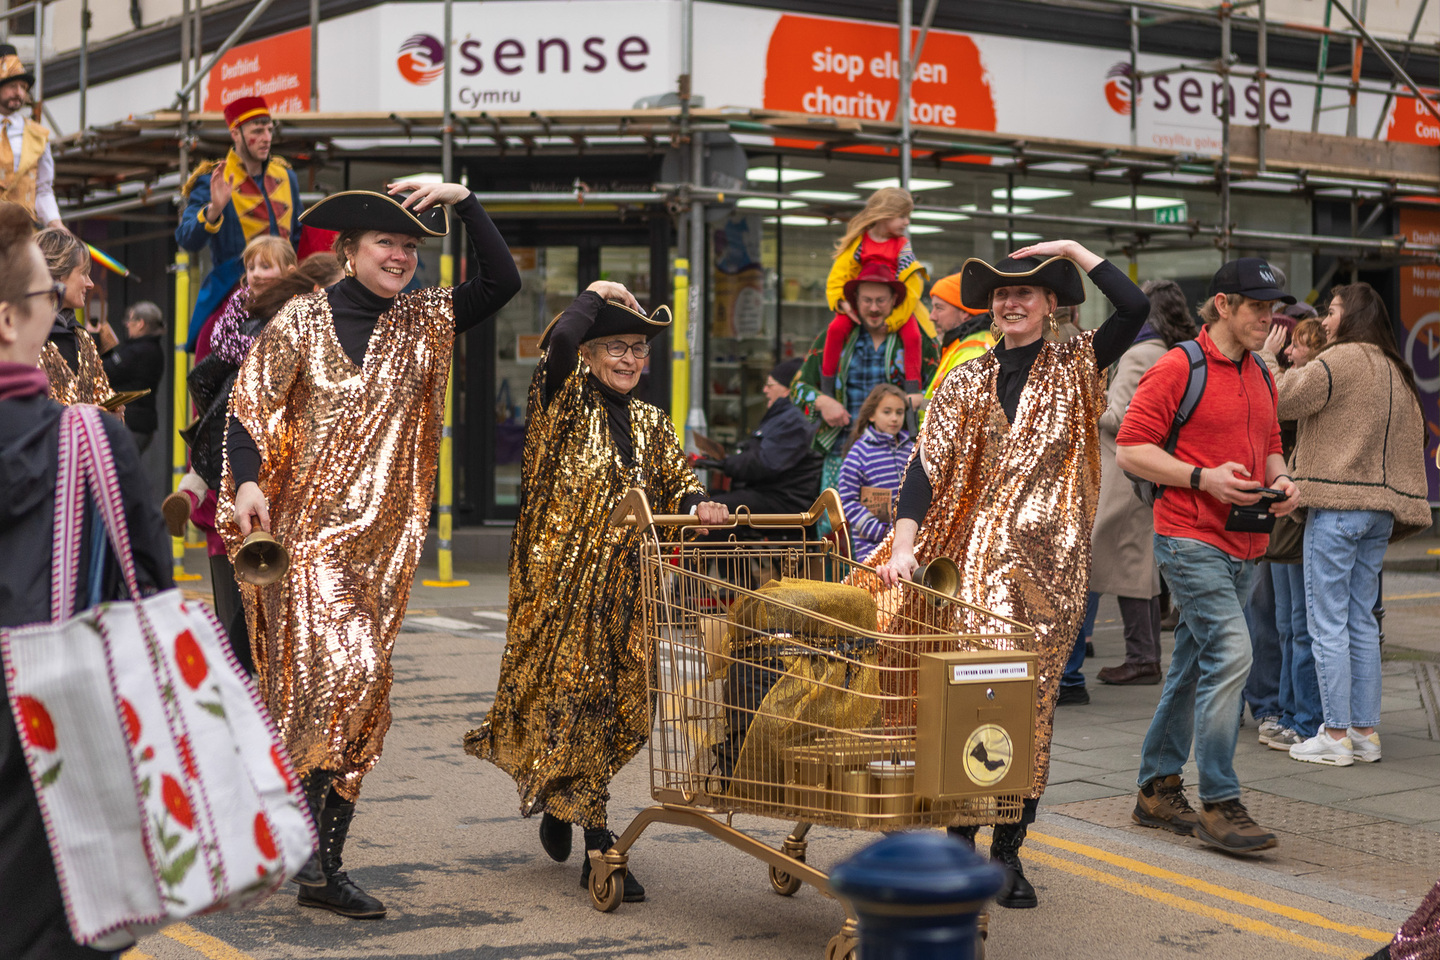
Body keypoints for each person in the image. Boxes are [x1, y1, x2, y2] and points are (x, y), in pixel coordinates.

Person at [222, 181, 521, 919]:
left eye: (412, 247)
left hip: (384, 557)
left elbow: (501, 281)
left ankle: (319, 864)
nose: (400, 256)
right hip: (311, 543)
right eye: (386, 244)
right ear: (348, 252)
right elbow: (248, 408)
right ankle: (293, 841)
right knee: (350, 677)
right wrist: (251, 482)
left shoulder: (423, 320)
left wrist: (466, 198)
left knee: (356, 705)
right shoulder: (301, 320)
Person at [870, 239, 1151, 909]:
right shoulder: (965, 379)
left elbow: (1134, 305)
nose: (1011, 301)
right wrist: (904, 541)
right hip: (977, 572)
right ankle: (961, 843)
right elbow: (925, 468)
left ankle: (1009, 852)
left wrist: (1070, 250)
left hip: (1052, 578)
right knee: (973, 700)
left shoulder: (1079, 364)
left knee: (1030, 713)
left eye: (1025, 292)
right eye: (1000, 294)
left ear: (1051, 305)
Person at [465, 283, 726, 904]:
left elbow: (678, 488)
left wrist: (702, 507)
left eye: (639, 348)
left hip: (631, 597)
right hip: (559, 592)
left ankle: (565, 801)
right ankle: (600, 846)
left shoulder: (652, 422)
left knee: (625, 711)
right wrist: (592, 294)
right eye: (615, 346)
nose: (631, 359)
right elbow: (556, 340)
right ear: (587, 353)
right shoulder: (559, 402)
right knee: (578, 700)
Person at [0, 201, 171, 959]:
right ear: (11, 322)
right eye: (47, 298)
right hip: (54, 775)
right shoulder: (92, 441)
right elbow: (151, 599)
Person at [1119, 257, 1300, 855]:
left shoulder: (1262, 373)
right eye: (1257, 307)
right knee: (1232, 651)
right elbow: (1130, 450)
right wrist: (1202, 478)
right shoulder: (1178, 366)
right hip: (1188, 537)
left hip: (1246, 543)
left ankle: (1156, 786)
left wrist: (1284, 481)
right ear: (1222, 305)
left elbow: (1271, 443)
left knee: (1194, 667)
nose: (1269, 319)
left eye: (1273, 308)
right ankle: (1220, 800)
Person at [1259, 283, 1431, 767]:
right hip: (1379, 511)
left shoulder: (1342, 359)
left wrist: (1273, 364)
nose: (1326, 319)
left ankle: (1334, 735)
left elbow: (1284, 400)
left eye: (1332, 311)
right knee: (1360, 622)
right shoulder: (1395, 370)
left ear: (1351, 316)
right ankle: (1364, 732)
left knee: (1326, 622)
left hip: (1336, 505)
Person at [1092, 279, 1198, 687]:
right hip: (1148, 471)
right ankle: (1144, 656)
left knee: (1124, 565)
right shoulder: (1176, 352)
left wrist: (1086, 402)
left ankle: (1142, 657)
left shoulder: (1141, 355)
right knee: (1134, 565)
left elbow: (1119, 418)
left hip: (1123, 472)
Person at [792, 262, 939, 493]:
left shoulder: (917, 341)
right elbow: (798, 388)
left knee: (893, 523)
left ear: (894, 301)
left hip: (898, 454)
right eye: (866, 300)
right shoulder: (834, 339)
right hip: (842, 451)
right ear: (855, 301)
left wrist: (918, 400)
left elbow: (941, 391)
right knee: (835, 522)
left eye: (880, 300)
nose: (873, 307)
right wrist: (823, 402)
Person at [175, 95, 303, 350]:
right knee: (208, 348)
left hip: (287, 292)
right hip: (236, 292)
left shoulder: (286, 176)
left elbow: (299, 238)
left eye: (269, 129)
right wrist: (214, 209)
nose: (267, 137)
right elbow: (186, 239)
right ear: (236, 133)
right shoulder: (214, 179)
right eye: (257, 130)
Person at [1259, 311, 1324, 752]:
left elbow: (1275, 405)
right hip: (1281, 520)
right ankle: (1288, 711)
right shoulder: (1295, 377)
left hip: (1299, 516)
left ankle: (1305, 718)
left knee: (1301, 625)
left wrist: (1267, 361)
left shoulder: (1310, 384)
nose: (1289, 351)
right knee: (1286, 624)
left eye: (1298, 344)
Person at [821, 187, 934, 399]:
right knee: (835, 329)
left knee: (913, 336)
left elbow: (912, 287)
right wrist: (842, 303)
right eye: (902, 216)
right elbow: (838, 276)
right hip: (860, 305)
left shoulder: (902, 246)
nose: (906, 222)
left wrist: (894, 320)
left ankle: (912, 389)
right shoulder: (859, 243)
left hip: (897, 306)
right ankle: (826, 385)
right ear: (884, 214)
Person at [701, 356, 823, 515]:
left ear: (788, 390)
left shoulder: (795, 420)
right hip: (771, 492)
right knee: (704, 500)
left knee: (712, 511)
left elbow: (765, 462)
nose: (765, 390)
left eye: (770, 385)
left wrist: (726, 463)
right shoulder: (785, 416)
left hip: (783, 500)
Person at [35, 227, 113, 406]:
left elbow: (101, 395)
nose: (90, 284)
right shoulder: (20, 335)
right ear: (58, 274)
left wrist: (113, 414)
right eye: (83, 273)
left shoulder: (82, 337)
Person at [837, 383, 913, 560]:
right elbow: (848, 501)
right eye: (887, 412)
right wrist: (881, 532)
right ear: (871, 415)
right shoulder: (858, 454)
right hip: (871, 549)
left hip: (909, 544)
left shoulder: (911, 449)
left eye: (899, 412)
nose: (894, 418)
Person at [0, 45, 61, 229]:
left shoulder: (38, 134)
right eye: (13, 86)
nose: (19, 93)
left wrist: (56, 224)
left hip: (23, 236)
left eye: (23, 88)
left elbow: (43, 190)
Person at [921, 271, 993, 412]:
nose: (932, 316)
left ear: (965, 312)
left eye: (939, 308)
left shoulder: (972, 352)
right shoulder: (966, 343)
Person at [102, 301, 167, 453]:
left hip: (132, 423)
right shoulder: (152, 349)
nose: (126, 324)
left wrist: (95, 341)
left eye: (130, 320)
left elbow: (107, 371)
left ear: (140, 324)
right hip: (142, 423)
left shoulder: (138, 351)